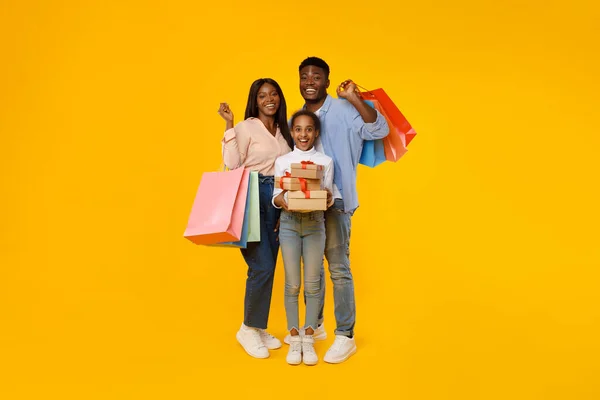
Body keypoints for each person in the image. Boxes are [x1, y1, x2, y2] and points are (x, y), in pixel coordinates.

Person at [285, 57, 389, 363]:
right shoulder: (301, 117)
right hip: (307, 200)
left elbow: (378, 129)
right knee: (312, 267)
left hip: (338, 200)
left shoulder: (344, 110)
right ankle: (315, 326)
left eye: (316, 77)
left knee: (338, 267)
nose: (309, 82)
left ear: (326, 82)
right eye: (304, 77)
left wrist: (355, 97)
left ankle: (345, 335)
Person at [220, 78, 294, 359]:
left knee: (270, 264)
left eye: (274, 94)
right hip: (252, 195)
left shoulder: (283, 129)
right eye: (263, 95)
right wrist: (229, 124)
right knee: (261, 264)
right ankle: (248, 328)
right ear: (255, 99)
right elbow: (232, 162)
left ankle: (258, 325)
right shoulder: (246, 126)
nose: (269, 99)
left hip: (278, 198)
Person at [272, 110, 334, 365]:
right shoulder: (283, 160)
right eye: (298, 129)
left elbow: (328, 194)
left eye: (309, 129)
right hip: (288, 224)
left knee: (313, 284)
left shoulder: (325, 161)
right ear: (292, 132)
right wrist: (284, 201)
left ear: (316, 132)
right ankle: (293, 335)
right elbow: (276, 195)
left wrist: (327, 198)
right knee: (292, 284)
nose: (303, 134)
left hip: (314, 224)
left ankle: (309, 336)